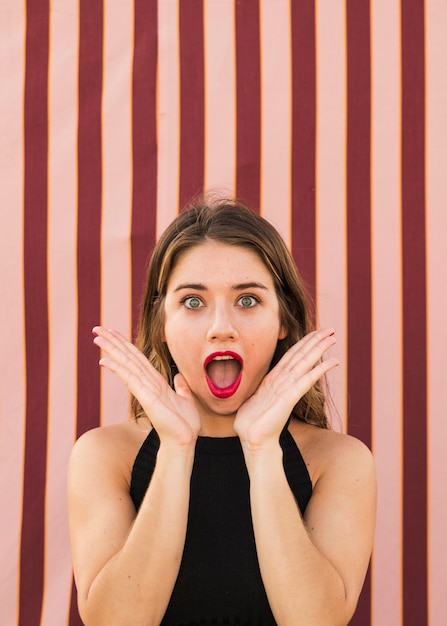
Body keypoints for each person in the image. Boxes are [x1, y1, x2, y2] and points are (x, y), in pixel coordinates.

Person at [68, 198, 376, 626]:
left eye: (247, 300)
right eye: (193, 302)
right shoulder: (103, 455)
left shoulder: (340, 461)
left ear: (283, 319)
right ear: (161, 322)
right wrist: (176, 449)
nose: (221, 327)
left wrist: (262, 448)